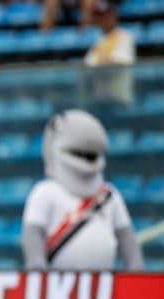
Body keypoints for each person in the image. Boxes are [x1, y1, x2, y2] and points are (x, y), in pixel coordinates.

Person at [22, 109, 144, 271]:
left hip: (105, 285)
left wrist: (135, 268)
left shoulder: (109, 195)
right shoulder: (45, 192)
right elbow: (33, 234)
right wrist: (37, 267)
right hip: (57, 284)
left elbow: (126, 237)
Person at [84, 0, 136, 108]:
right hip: (100, 99)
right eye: (100, 17)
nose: (103, 20)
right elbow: (87, 67)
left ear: (114, 17)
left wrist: (100, 67)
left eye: (106, 16)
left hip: (119, 98)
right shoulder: (98, 40)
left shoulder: (124, 37)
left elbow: (117, 63)